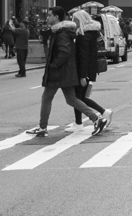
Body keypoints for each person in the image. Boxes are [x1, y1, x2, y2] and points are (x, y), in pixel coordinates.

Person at [26, 7, 109, 137]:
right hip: (67, 72)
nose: (47, 18)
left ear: (56, 18)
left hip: (59, 72)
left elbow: (65, 52)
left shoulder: (61, 33)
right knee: (71, 99)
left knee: (47, 98)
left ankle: (42, 127)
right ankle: (97, 119)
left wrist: (53, 65)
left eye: (49, 15)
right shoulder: (63, 32)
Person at [71, 11, 110, 127]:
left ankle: (78, 124)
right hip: (90, 70)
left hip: (84, 72)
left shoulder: (83, 36)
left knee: (77, 98)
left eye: (76, 20)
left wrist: (83, 75)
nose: (74, 22)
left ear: (81, 20)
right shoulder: (92, 34)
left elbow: (83, 57)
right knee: (81, 97)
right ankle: (103, 112)